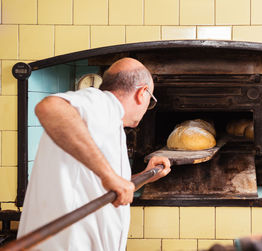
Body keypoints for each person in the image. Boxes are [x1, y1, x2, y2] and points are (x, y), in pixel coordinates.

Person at [17, 58, 171, 251]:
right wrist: (110, 177)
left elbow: (100, 185)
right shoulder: (101, 103)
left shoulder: (109, 121)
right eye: (151, 100)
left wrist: (143, 177)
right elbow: (49, 107)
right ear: (142, 93)